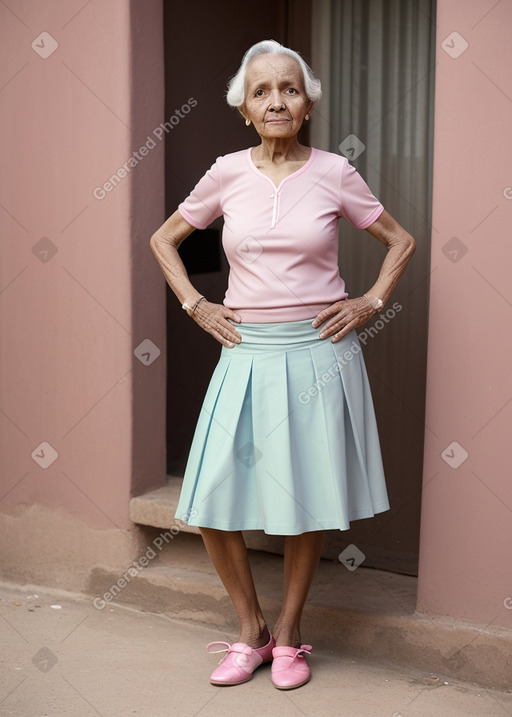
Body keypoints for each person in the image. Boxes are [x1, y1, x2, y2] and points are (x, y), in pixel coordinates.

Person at [150, 39, 415, 690]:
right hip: (248, 352)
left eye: (290, 89)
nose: (277, 101)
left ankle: (290, 634)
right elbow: (163, 238)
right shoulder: (225, 172)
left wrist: (371, 301)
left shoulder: (334, 172)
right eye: (263, 90)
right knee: (211, 500)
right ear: (244, 107)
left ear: (307, 104)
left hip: (321, 354)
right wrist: (194, 304)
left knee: (308, 498)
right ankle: (252, 631)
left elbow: (400, 239)